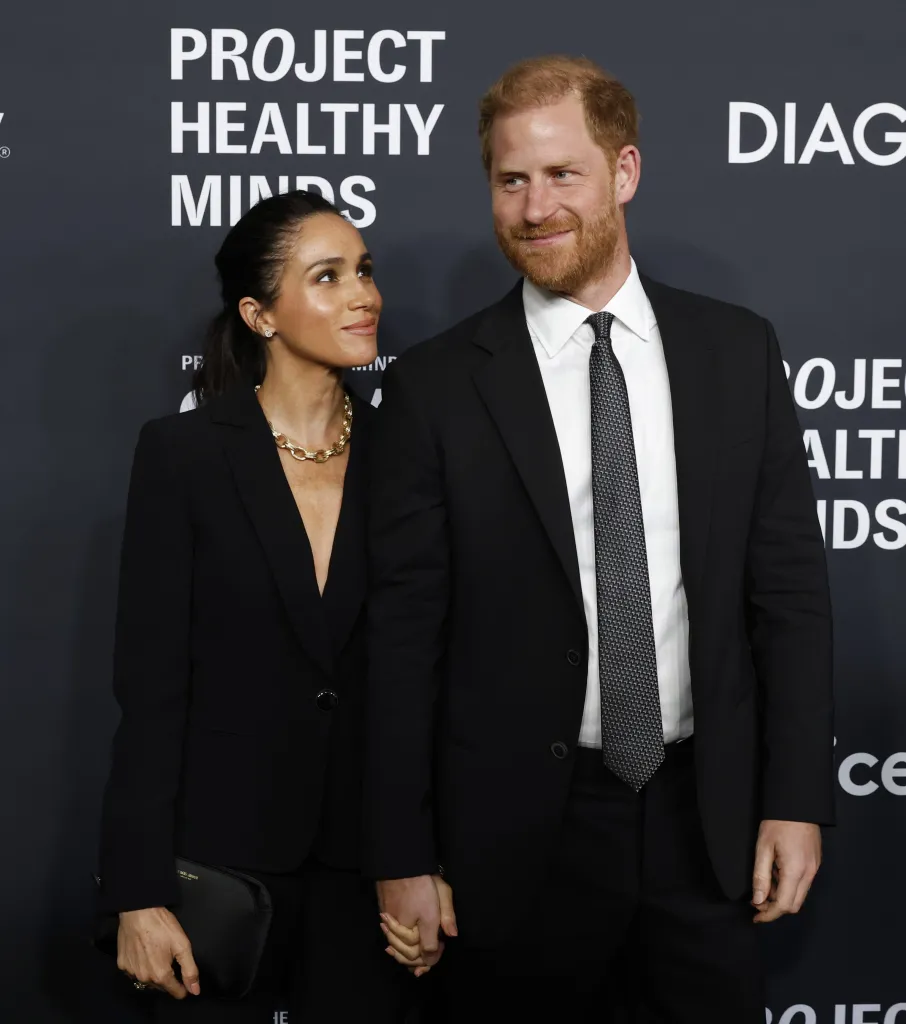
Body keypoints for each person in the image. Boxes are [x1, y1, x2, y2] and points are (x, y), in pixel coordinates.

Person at [364, 56, 834, 1022]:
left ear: (624, 172)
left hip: (706, 825)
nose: (536, 208)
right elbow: (403, 638)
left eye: (562, 174)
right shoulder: (435, 388)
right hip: (515, 840)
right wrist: (402, 857)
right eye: (511, 180)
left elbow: (787, 595)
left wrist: (796, 797)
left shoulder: (737, 351)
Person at [97, 190, 410, 1021]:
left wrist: (426, 861)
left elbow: (436, 675)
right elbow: (151, 690)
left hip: (370, 871)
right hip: (218, 868)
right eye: (329, 276)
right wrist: (136, 892)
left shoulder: (412, 452)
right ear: (259, 313)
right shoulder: (184, 455)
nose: (364, 295)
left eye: (366, 272)